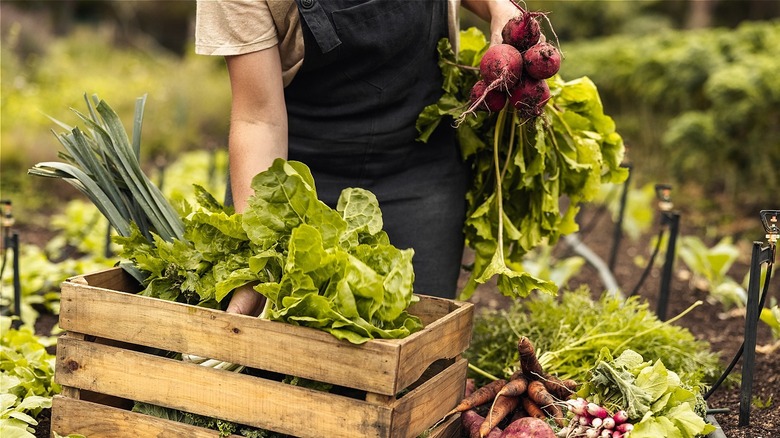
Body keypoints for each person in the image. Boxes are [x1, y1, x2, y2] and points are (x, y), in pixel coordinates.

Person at [195, 0, 519, 315]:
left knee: (417, 346)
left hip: (421, 166)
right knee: (276, 355)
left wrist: (497, 6)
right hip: (298, 183)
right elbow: (258, 120)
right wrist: (260, 250)